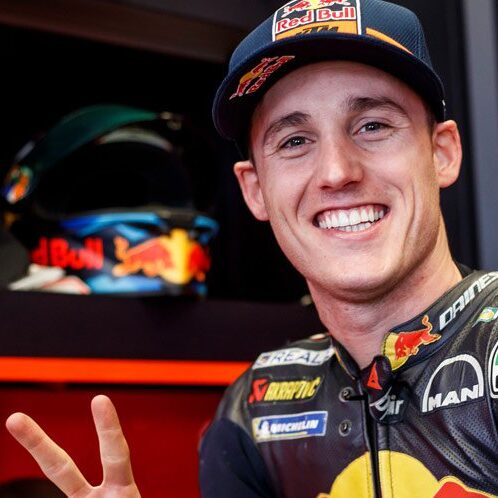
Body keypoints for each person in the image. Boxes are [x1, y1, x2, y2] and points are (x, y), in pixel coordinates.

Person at [5, 0, 498, 496]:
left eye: (373, 126)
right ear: (255, 189)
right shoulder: (256, 410)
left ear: (442, 153)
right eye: (295, 141)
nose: (336, 172)